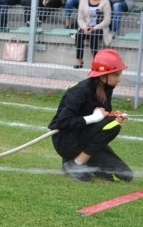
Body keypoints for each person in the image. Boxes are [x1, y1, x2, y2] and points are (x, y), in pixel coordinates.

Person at [49, 49, 132, 183]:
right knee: (114, 126)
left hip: (83, 138)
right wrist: (93, 118)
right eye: (116, 75)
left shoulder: (106, 88)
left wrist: (111, 115)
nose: (119, 79)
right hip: (65, 140)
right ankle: (77, 163)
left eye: (119, 74)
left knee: (124, 176)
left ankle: (72, 162)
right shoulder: (79, 91)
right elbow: (62, 123)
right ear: (103, 75)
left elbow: (98, 116)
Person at [74, 0, 112, 69]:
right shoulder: (83, 1)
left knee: (94, 35)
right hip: (86, 27)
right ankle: (79, 59)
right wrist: (85, 27)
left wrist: (94, 28)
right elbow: (80, 18)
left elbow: (107, 20)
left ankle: (96, 60)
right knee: (79, 35)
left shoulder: (105, 1)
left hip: (100, 27)